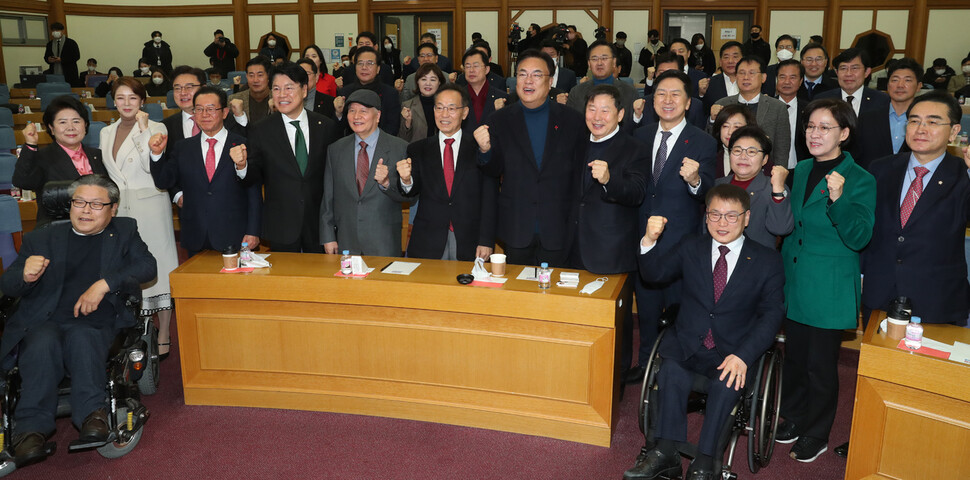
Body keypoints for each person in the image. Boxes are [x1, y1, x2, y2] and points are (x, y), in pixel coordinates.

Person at [622, 183, 785, 480]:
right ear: (706, 217)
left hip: (732, 351)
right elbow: (654, 274)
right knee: (670, 372)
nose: (722, 223)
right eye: (715, 215)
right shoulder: (691, 246)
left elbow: (772, 315)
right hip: (688, 343)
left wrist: (744, 356)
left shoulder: (766, 260)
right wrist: (648, 239)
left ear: (747, 218)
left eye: (731, 216)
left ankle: (706, 462)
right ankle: (666, 454)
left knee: (726, 385)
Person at [0, 174, 156, 470]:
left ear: (113, 208)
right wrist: (23, 275)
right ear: (69, 205)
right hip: (47, 317)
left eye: (96, 204)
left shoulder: (124, 231)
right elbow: (8, 286)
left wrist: (104, 284)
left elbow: (147, 266)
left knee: (83, 336)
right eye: (79, 202)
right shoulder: (41, 236)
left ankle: (92, 415)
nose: (85, 210)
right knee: (42, 343)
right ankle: (30, 430)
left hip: (98, 319)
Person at [775, 98, 875, 463]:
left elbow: (860, 236)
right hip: (796, 280)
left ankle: (816, 433)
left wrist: (838, 199)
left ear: (844, 134)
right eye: (810, 126)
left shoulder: (860, 179)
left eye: (824, 127)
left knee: (821, 366)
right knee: (795, 359)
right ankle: (794, 418)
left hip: (829, 287)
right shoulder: (800, 169)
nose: (814, 134)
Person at [626, 70, 717, 383]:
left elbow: (709, 192)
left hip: (681, 243)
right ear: (653, 101)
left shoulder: (703, 141)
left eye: (675, 94)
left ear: (688, 102)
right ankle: (644, 363)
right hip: (643, 239)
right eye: (661, 93)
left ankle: (673, 369)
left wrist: (695, 180)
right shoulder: (639, 136)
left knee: (679, 311)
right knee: (647, 309)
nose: (667, 100)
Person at [863, 90, 970, 326]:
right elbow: (866, 225)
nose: (921, 129)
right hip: (879, 291)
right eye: (914, 121)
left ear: (954, 131)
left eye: (932, 122)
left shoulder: (963, 175)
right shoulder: (880, 168)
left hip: (937, 299)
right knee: (875, 362)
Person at [474, 49, 586, 267]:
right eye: (522, 74)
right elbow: (491, 176)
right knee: (518, 296)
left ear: (550, 81)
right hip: (516, 228)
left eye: (536, 75)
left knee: (555, 297)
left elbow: (580, 176)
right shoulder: (499, 120)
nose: (528, 80)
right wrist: (486, 151)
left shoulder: (572, 121)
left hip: (559, 227)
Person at [99, 77, 178, 360]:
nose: (126, 104)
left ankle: (165, 331)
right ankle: (135, 327)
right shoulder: (106, 132)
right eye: (120, 98)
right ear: (114, 101)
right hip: (119, 208)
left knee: (160, 265)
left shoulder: (157, 127)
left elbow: (150, 165)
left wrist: (144, 131)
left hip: (150, 205)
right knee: (127, 266)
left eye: (132, 98)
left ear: (142, 101)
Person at [229, 63, 340, 253]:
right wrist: (242, 165)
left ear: (304, 90)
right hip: (282, 226)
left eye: (289, 88)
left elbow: (334, 178)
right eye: (276, 89)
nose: (282, 95)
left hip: (319, 226)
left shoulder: (326, 126)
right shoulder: (261, 130)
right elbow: (253, 178)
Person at [149, 86, 262, 257]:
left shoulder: (243, 143)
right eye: (199, 109)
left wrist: (253, 231)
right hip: (196, 234)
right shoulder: (183, 147)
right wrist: (157, 155)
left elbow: (253, 191)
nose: (204, 114)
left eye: (210, 109)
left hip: (235, 234)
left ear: (224, 112)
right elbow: (163, 181)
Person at [393, 84, 497, 261]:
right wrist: (406, 179)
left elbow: (490, 196)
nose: (444, 114)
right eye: (439, 108)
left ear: (464, 113)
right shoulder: (418, 149)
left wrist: (486, 240)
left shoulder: (479, 147)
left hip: (470, 240)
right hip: (428, 240)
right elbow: (411, 190)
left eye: (451, 108)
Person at [320, 89, 410, 256]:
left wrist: (387, 184)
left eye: (363, 111)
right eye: (352, 111)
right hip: (346, 241)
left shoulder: (399, 148)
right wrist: (327, 236)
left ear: (378, 116)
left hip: (384, 241)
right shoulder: (336, 149)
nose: (356, 116)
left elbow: (410, 196)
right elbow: (328, 197)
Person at [13, 96, 109, 227]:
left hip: (97, 228)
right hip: (58, 230)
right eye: (63, 122)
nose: (71, 127)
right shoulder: (43, 156)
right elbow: (23, 182)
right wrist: (30, 145)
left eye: (76, 121)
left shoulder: (96, 155)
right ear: (51, 128)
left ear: (85, 125)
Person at [715, 125, 793, 248]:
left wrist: (778, 190)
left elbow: (781, 228)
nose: (743, 157)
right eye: (737, 150)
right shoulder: (718, 185)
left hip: (756, 262)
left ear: (764, 159)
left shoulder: (773, 188)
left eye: (751, 152)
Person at [712, 56, 792, 173]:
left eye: (752, 73)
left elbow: (782, 148)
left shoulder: (777, 107)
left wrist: (779, 176)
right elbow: (712, 139)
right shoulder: (722, 104)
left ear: (763, 77)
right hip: (725, 170)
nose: (746, 77)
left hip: (764, 173)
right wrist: (712, 119)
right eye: (742, 73)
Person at [855, 58, 923, 171]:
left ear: (919, 86)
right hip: (872, 182)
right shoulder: (867, 118)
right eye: (895, 80)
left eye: (907, 80)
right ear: (887, 84)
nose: (900, 85)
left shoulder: (925, 122)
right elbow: (857, 158)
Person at [567, 41, 639, 130]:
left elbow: (632, 127)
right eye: (594, 59)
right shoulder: (576, 92)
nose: (599, 63)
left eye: (604, 58)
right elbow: (570, 125)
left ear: (614, 62)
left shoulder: (629, 92)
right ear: (589, 64)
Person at [335, 46, 402, 136]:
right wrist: (338, 113)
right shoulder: (344, 93)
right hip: (351, 145)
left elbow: (392, 127)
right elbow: (338, 130)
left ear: (378, 69)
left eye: (370, 63)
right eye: (360, 63)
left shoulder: (390, 94)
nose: (364, 67)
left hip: (381, 145)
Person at [815, 47, 890, 117]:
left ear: (867, 72)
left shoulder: (882, 101)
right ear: (836, 72)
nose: (848, 74)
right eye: (843, 68)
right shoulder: (822, 100)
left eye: (855, 68)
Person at [458, 47, 508, 131]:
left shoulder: (502, 98)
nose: (471, 70)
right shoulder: (457, 97)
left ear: (487, 69)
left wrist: (501, 112)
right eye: (468, 66)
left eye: (476, 66)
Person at [774, 59, 811, 170]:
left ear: (801, 81)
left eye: (793, 77)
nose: (787, 82)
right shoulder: (766, 107)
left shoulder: (810, 110)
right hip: (771, 170)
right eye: (782, 77)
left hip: (801, 170)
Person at [398, 63, 445, 142]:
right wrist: (407, 123)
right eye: (423, 79)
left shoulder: (446, 105)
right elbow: (402, 140)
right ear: (417, 82)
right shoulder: (408, 106)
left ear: (439, 82)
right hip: (417, 151)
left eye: (433, 80)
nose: (428, 83)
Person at [712, 104, 757, 178]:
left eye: (736, 127)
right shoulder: (711, 158)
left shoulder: (758, 160)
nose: (730, 132)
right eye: (725, 126)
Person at [229, 55, 273, 126]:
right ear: (246, 76)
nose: (255, 80)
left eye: (260, 75)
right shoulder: (234, 99)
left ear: (268, 76)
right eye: (251, 75)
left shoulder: (278, 99)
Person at [703, 41, 743, 115]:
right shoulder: (710, 83)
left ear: (743, 60)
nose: (730, 61)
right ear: (720, 62)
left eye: (735, 57)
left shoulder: (751, 82)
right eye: (726, 57)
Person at [43, 22, 81, 86]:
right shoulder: (50, 44)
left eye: (57, 30)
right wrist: (48, 59)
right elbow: (46, 57)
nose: (55, 32)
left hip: (69, 73)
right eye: (53, 30)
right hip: (54, 72)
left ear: (62, 31)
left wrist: (62, 59)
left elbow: (76, 56)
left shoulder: (71, 43)